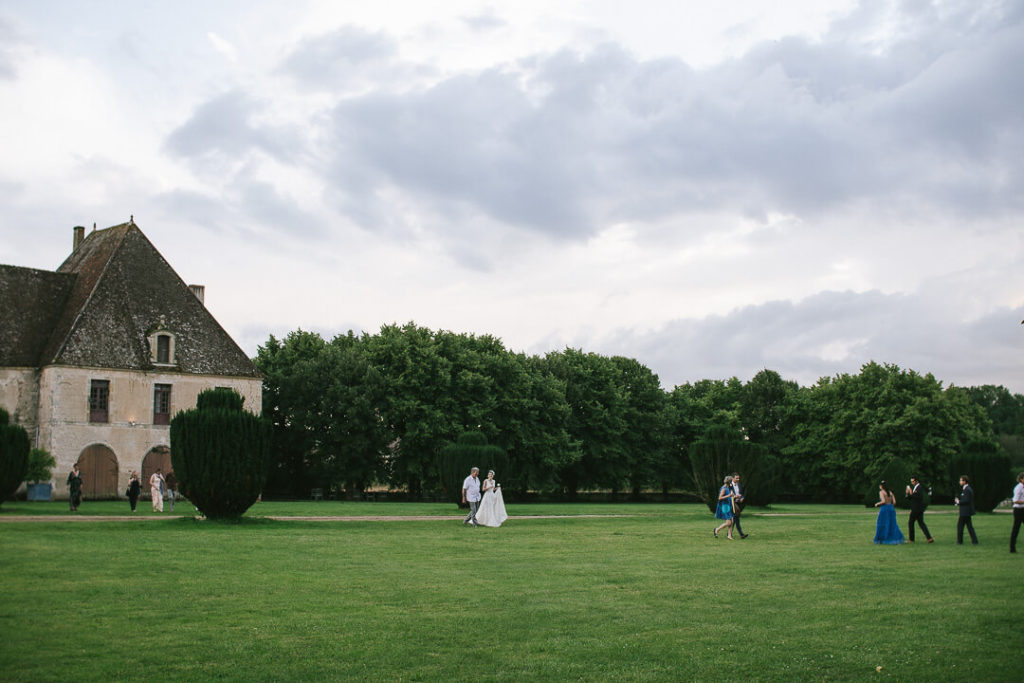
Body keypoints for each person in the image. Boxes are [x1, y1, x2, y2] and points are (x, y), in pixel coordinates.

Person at [905, 475, 933, 543]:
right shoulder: (915, 487)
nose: (912, 482)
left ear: (917, 481)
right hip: (918, 508)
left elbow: (918, 497)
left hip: (916, 509)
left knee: (911, 522)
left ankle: (911, 539)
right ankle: (929, 538)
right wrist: (908, 494)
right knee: (921, 523)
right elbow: (913, 497)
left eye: (913, 481)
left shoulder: (919, 487)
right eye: (911, 481)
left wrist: (910, 493)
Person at [954, 475, 978, 545]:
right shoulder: (966, 489)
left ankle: (960, 541)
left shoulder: (967, 489)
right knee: (969, 526)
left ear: (964, 481)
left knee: (960, 526)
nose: (960, 482)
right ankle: (974, 541)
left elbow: (966, 500)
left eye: (961, 480)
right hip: (966, 511)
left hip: (965, 512)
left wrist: (958, 502)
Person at [731, 472, 749, 539]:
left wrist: (742, 498)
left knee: (736, 519)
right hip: (732, 504)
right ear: (733, 478)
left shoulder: (739, 485)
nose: (738, 479)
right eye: (736, 478)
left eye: (738, 478)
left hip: (738, 503)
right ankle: (739, 534)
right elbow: (728, 496)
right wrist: (735, 497)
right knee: (735, 518)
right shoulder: (730, 486)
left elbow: (741, 493)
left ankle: (738, 534)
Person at [1010, 472, 1024, 553]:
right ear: (1021, 479)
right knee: (1016, 528)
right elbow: (1015, 501)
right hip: (1018, 510)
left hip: (1023, 509)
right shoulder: (1018, 488)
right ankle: (1012, 548)